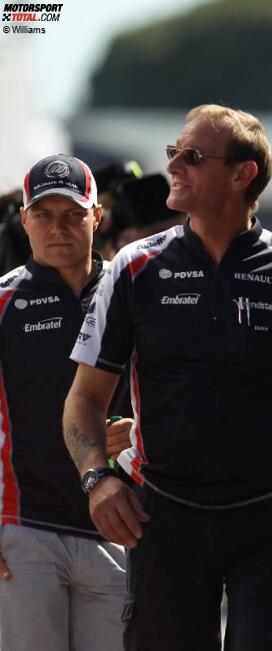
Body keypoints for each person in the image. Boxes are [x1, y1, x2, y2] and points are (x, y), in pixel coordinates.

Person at [61, 104, 272, 651]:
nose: (175, 166)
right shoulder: (133, 268)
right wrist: (98, 477)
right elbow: (82, 402)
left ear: (241, 174)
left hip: (269, 524)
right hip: (162, 520)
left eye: (193, 156)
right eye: (173, 153)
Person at [0, 154, 134, 651]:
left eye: (73, 214)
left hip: (120, 527)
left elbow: (172, 395)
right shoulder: (4, 300)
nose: (59, 228)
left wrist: (137, 431)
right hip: (24, 530)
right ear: (24, 220)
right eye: (44, 215)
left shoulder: (131, 295)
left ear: (98, 216)